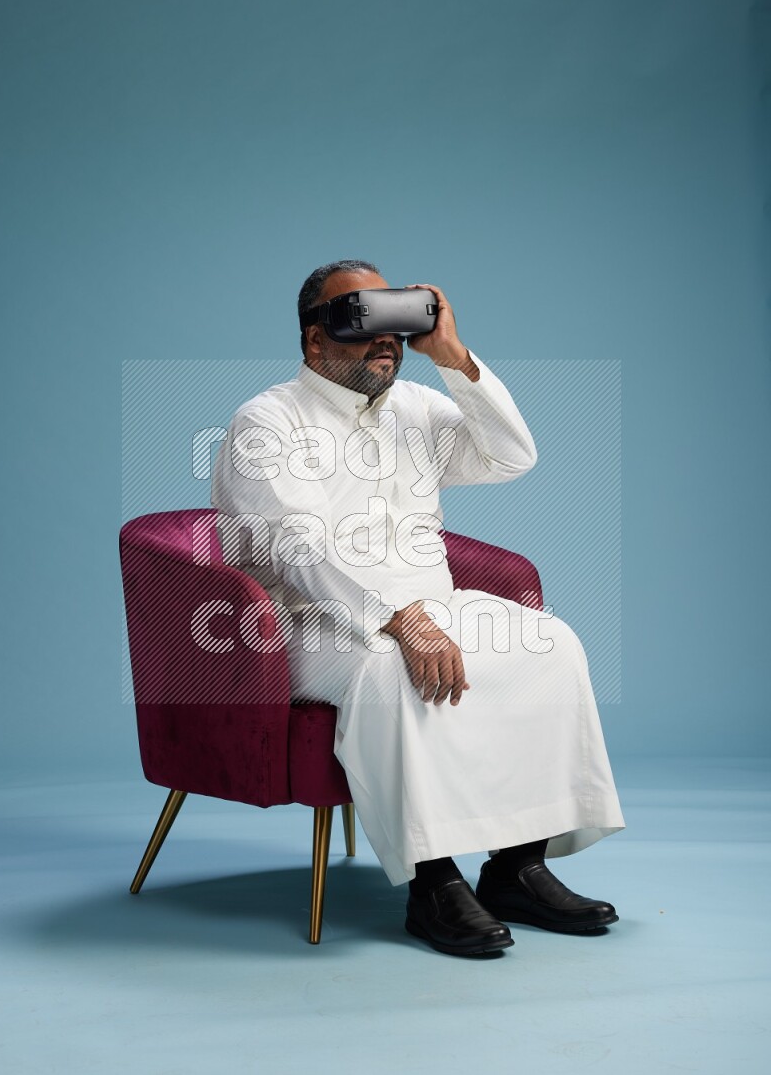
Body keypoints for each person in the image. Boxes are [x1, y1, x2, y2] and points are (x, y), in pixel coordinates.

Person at [210, 259, 625, 957]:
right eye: (362, 318)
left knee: (550, 646)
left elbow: (510, 457)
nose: (386, 338)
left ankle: (517, 867)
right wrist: (399, 618)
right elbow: (298, 547)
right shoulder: (268, 421)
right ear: (315, 338)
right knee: (395, 671)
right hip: (308, 623)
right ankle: (433, 883)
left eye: (395, 318)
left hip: (433, 602)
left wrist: (454, 359)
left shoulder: (419, 408)